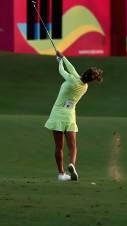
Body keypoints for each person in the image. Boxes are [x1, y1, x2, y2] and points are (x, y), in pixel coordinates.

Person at [45, 51, 103, 181]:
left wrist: (59, 61)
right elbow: (72, 69)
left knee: (59, 147)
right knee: (73, 146)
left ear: (84, 73)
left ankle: (61, 173)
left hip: (57, 115)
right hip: (70, 117)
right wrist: (63, 57)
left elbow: (63, 71)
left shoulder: (72, 79)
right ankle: (72, 164)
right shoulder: (85, 87)